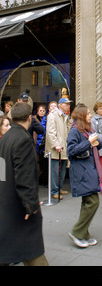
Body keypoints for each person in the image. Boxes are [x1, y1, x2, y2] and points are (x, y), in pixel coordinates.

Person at [0, 102, 49, 266]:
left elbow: (1, 171)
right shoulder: (23, 139)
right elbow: (25, 175)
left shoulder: (5, 137)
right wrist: (30, 204)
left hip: (7, 202)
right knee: (32, 251)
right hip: (19, 206)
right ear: (29, 118)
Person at [67, 105, 102, 248]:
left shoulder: (87, 130)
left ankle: (84, 232)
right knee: (93, 201)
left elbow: (95, 147)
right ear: (81, 116)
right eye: (87, 114)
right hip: (82, 171)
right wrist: (88, 142)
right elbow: (71, 151)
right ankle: (77, 232)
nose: (90, 115)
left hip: (89, 169)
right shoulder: (75, 131)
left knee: (87, 201)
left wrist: (97, 142)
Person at [45, 97, 72, 200]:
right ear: (60, 105)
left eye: (69, 104)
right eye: (66, 104)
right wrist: (55, 144)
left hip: (64, 146)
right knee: (55, 170)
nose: (68, 106)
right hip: (56, 148)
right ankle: (54, 191)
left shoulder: (65, 116)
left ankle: (59, 188)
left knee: (63, 168)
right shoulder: (53, 115)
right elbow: (51, 131)